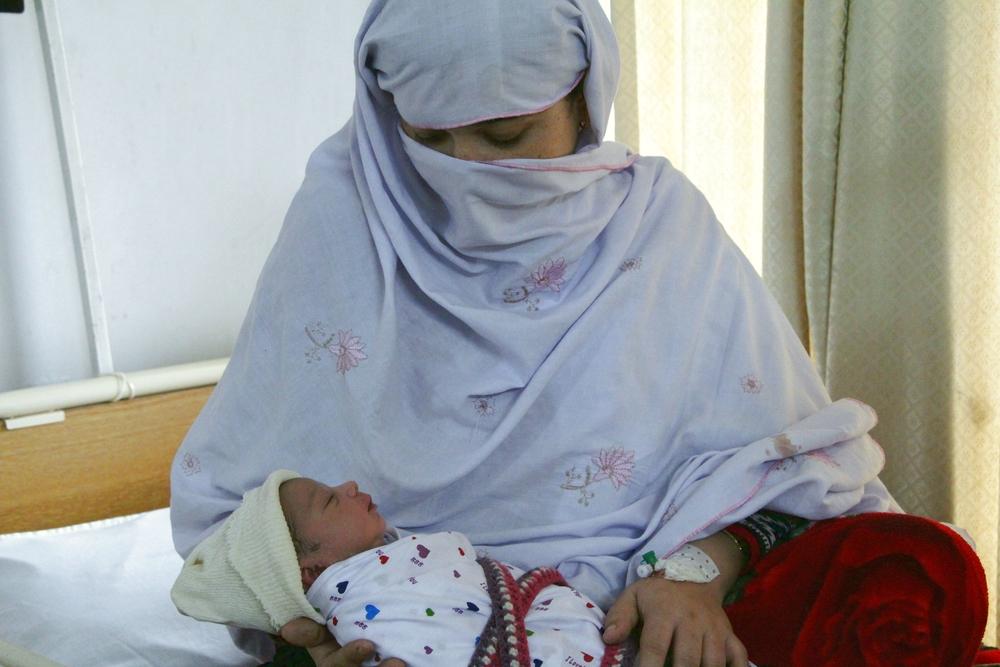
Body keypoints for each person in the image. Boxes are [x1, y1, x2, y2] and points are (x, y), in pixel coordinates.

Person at [170, 1, 989, 665]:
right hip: (423, 634)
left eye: (505, 136)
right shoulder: (344, 214)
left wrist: (695, 574)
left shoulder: (659, 224)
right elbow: (240, 541)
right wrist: (318, 639)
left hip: (660, 605)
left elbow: (791, 461)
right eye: (428, 141)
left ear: (584, 97)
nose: (466, 176)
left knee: (918, 567)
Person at [171, 471, 631, 666]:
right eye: (330, 500)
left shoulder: (399, 559)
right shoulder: (367, 608)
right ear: (311, 572)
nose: (350, 485)